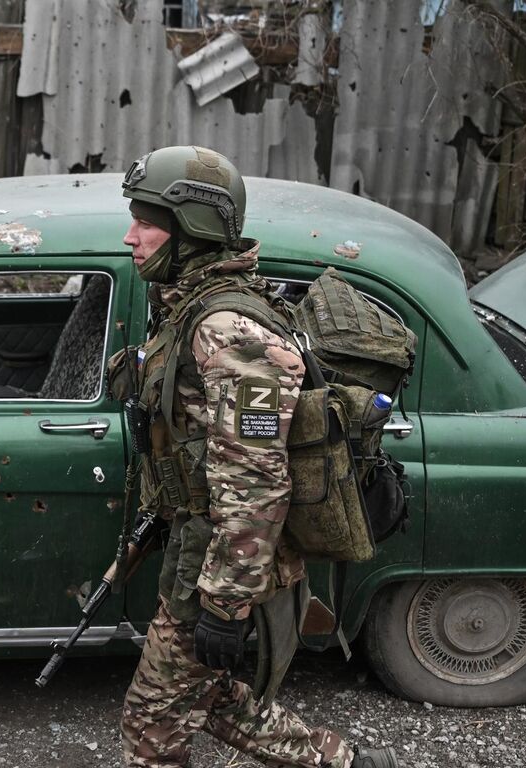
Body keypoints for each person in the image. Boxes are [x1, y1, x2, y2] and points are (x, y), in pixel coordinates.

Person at [110, 145, 401, 768]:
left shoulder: (228, 332)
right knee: (205, 695)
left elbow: (256, 481)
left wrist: (224, 604)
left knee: (149, 726)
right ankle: (344, 762)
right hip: (199, 546)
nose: (131, 236)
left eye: (147, 221)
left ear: (194, 230)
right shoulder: (189, 306)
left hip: (219, 562)